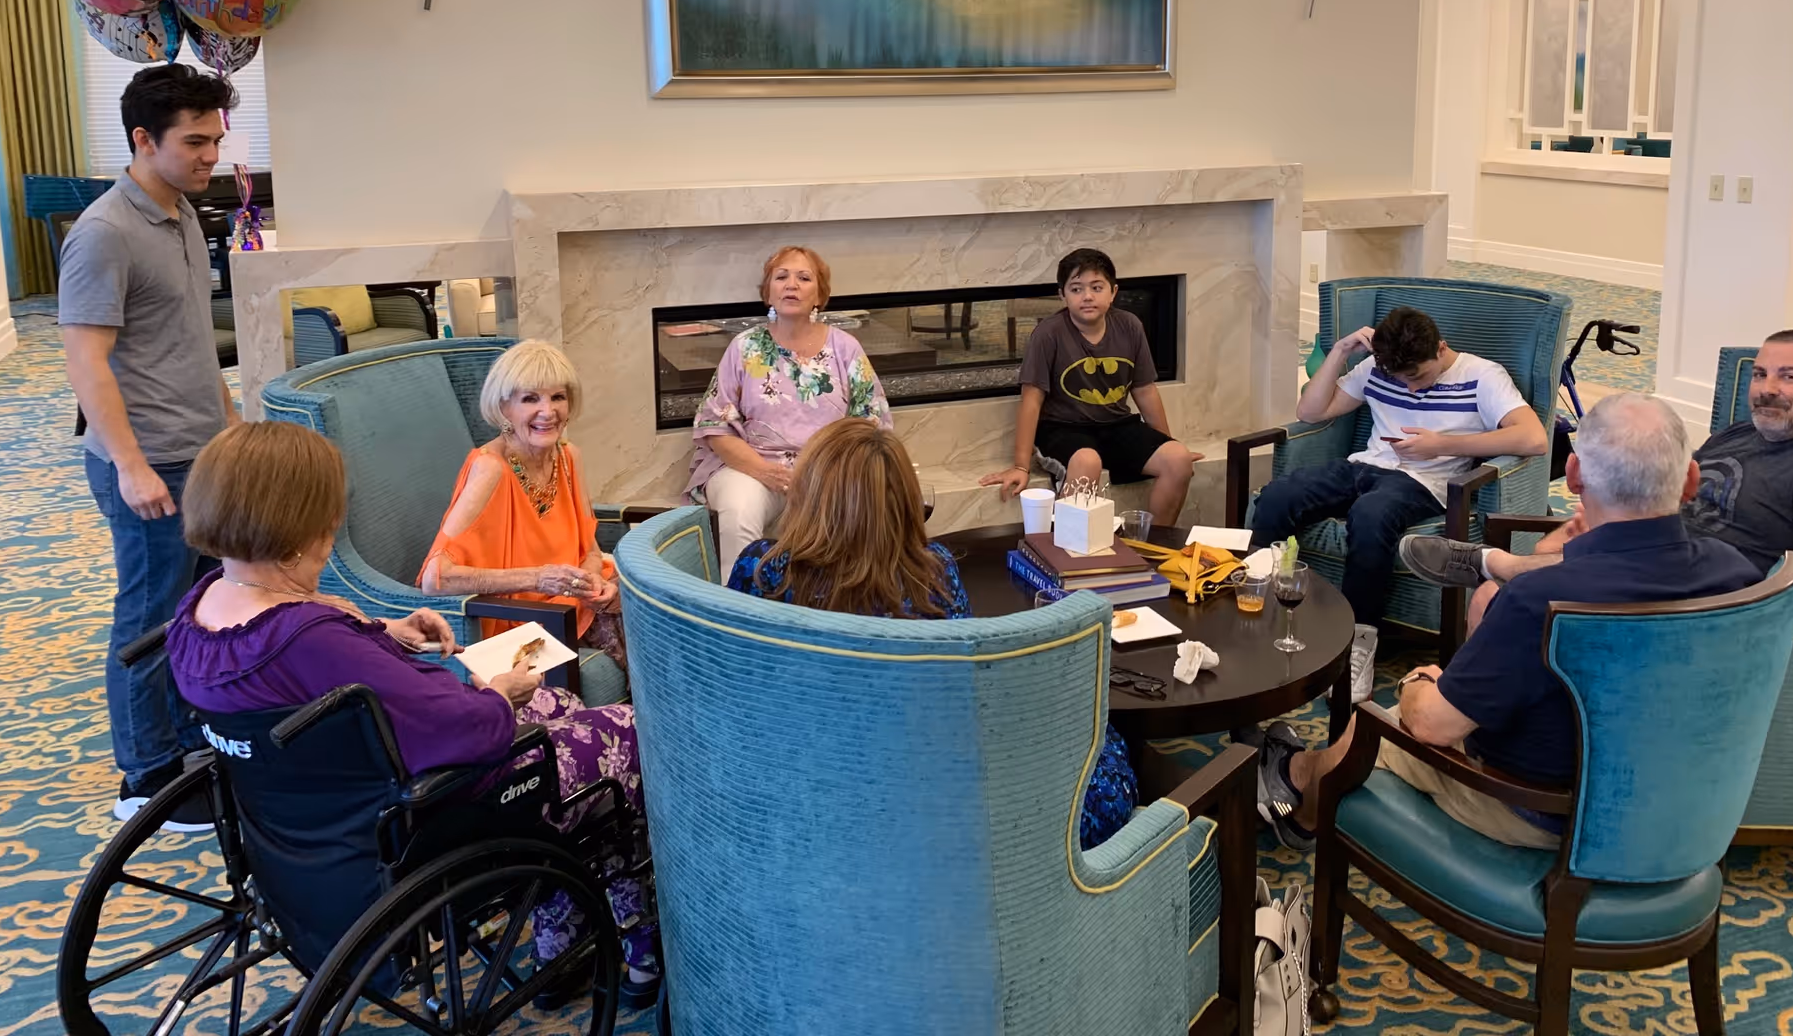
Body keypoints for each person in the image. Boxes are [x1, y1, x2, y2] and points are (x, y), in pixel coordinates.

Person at [165, 422, 660, 997]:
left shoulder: (198, 614)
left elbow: (308, 668)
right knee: (626, 733)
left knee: (566, 703)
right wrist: (500, 694)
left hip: (310, 813)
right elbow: (464, 728)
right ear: (299, 529)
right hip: (427, 806)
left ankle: (560, 933)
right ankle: (633, 937)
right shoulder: (310, 638)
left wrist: (381, 630)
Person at [1254, 393, 1760, 852]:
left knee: (1377, 724)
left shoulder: (1541, 600)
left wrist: (1420, 682)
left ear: (1576, 476)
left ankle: (1298, 791)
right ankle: (1497, 568)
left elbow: (1431, 725)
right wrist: (1551, 560)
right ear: (1691, 478)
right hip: (1685, 805)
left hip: (1546, 811)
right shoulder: (1737, 573)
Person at [730, 420, 1140, 849]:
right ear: (906, 502)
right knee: (1099, 736)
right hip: (932, 808)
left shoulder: (760, 571)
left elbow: (734, 686)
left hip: (796, 801)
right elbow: (965, 693)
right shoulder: (933, 573)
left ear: (808, 494)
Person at [60, 63, 243, 832]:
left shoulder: (182, 216)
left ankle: (190, 742)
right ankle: (145, 779)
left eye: (216, 138)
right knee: (148, 622)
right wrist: (131, 466)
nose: (211, 155)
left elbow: (191, 344)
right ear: (143, 140)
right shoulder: (105, 233)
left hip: (201, 455)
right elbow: (84, 360)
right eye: (195, 142)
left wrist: (232, 429)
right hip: (150, 465)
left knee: (199, 610)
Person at [1401, 329, 1793, 621]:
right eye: (1761, 375)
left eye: (1790, 377)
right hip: (1656, 552)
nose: (1767, 390)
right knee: (1493, 594)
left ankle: (1470, 712)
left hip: (1694, 592)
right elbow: (1669, 495)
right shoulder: (1739, 434)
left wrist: (1717, 615)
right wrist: (1596, 525)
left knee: (1504, 595)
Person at [1244, 306, 1548, 703]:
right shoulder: (1376, 366)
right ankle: (1258, 615)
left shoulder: (1482, 376)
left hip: (1425, 480)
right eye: (1398, 380)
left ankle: (1358, 644)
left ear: (1440, 348)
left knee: (1370, 516)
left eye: (1417, 377)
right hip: (1365, 466)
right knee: (1276, 497)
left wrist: (1443, 445)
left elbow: (1533, 438)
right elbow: (1311, 411)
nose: (1410, 390)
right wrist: (1340, 351)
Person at [421, 340, 625, 678]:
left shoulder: (568, 455)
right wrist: (538, 578)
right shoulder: (490, 469)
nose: (548, 411)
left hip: (571, 605)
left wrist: (590, 581)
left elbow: (588, 549)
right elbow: (435, 578)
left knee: (657, 608)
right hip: (519, 621)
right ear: (504, 408)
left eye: (558, 397)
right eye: (530, 399)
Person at [687, 245, 892, 578]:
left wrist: (824, 472)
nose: (791, 284)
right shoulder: (745, 346)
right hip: (751, 467)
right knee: (739, 509)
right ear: (768, 292)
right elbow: (715, 426)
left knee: (857, 508)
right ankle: (737, 610)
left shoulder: (845, 348)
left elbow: (871, 425)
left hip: (828, 470)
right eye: (781, 277)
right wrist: (766, 472)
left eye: (804, 278)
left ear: (819, 296)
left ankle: (829, 612)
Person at [979, 248, 1197, 523]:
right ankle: (1065, 554)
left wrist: (1163, 443)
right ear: (1062, 295)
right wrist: (1021, 465)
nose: (1087, 296)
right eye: (1076, 289)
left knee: (1178, 459)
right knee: (1087, 462)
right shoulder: (1048, 334)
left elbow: (1144, 389)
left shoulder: (1129, 326)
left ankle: (1152, 549)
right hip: (1062, 428)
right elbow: (1031, 401)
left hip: (1117, 424)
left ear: (1113, 292)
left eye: (1097, 287)